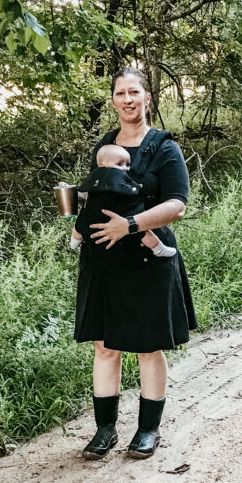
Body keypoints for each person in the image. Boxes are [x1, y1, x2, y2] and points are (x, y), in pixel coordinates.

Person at [74, 66, 197, 459]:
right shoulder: (105, 146)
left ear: (147, 98)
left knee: (147, 348)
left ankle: (148, 430)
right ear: (113, 101)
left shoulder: (164, 147)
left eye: (134, 92)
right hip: (103, 260)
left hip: (147, 257)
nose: (127, 99)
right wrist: (77, 202)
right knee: (105, 347)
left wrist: (129, 225)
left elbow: (177, 205)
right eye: (120, 93)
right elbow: (100, 193)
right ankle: (104, 430)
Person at [69, 143, 176, 258]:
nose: (125, 168)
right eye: (119, 164)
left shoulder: (97, 180)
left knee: (142, 231)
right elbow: (85, 194)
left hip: (116, 219)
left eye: (127, 164)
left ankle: (158, 248)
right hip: (101, 216)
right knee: (80, 224)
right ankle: (74, 242)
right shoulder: (103, 180)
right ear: (102, 164)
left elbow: (85, 192)